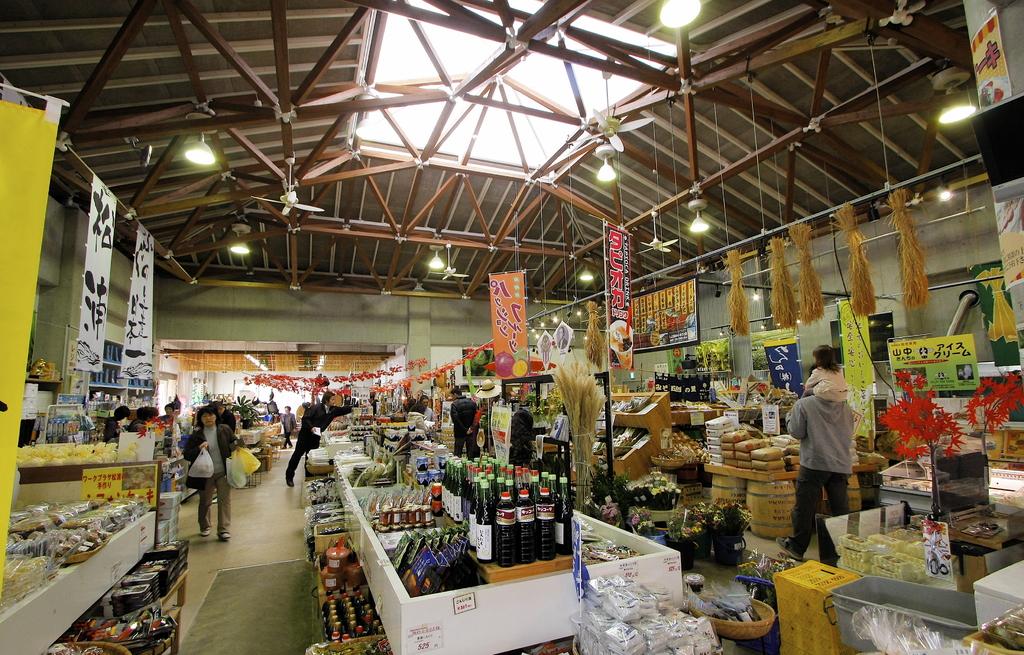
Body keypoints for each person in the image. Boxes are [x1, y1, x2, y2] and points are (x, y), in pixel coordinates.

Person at [777, 390, 855, 561]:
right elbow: (850, 430)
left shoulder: (804, 404)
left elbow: (796, 431)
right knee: (840, 508)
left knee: (805, 506)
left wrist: (790, 415)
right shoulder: (844, 406)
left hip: (815, 461)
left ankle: (797, 547)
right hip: (840, 462)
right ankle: (845, 549)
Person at [183, 405, 238, 540]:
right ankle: (205, 526)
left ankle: (223, 529)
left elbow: (234, 442)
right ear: (200, 419)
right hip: (205, 473)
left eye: (211, 415)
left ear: (216, 416)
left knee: (224, 500)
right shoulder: (197, 435)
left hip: (223, 471)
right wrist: (198, 448)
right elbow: (187, 454)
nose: (208, 418)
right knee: (205, 501)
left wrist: (237, 446)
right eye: (205, 416)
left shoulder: (224, 429)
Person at [285, 389, 352, 487]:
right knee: (297, 455)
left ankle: (309, 476)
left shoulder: (333, 410)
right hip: (305, 435)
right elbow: (305, 418)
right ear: (326, 400)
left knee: (311, 457)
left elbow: (343, 409)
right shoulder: (315, 408)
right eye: (332, 399)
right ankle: (289, 477)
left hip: (316, 436)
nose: (334, 401)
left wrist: (355, 407)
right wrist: (311, 427)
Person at [449, 389, 479, 458]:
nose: (452, 398)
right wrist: (471, 428)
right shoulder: (472, 403)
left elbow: (456, 420)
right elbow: (476, 417)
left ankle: (458, 468)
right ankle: (471, 467)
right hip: (471, 432)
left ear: (455, 394)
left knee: (457, 454)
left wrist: (465, 430)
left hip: (459, 432)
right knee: (470, 454)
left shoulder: (454, 404)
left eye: (452, 396)